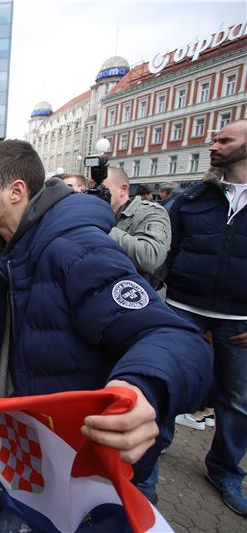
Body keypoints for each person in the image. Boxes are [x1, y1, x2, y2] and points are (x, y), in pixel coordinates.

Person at [0, 140, 212, 530]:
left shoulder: (75, 247)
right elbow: (10, 279)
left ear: (16, 191)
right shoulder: (21, 242)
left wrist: (142, 389)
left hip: (66, 455)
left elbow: (173, 336)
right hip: (26, 436)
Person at [164, 119, 247, 516]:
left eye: (224, 139)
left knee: (237, 399)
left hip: (240, 322)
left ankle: (225, 469)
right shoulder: (192, 197)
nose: (213, 144)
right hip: (183, 310)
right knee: (165, 385)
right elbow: (164, 250)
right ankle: (150, 451)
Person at [102, 167, 171, 291]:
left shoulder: (150, 212)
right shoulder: (96, 213)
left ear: (123, 189)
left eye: (101, 189)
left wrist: (101, 227)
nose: (94, 194)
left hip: (139, 299)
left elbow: (150, 257)